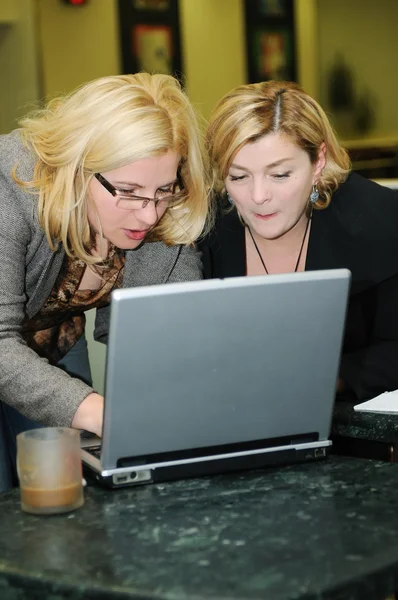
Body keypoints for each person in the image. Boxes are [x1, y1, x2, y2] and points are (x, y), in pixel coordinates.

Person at [0, 72, 210, 489]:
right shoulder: (10, 184)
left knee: (66, 484)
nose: (149, 215)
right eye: (129, 191)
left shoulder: (161, 203)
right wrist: (103, 413)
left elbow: (166, 338)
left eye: (163, 190)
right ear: (80, 168)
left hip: (50, 336)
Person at [199, 80, 398, 402]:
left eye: (279, 175)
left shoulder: (380, 220)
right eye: (238, 176)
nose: (258, 196)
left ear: (318, 162)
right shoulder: (202, 228)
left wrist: (327, 380)